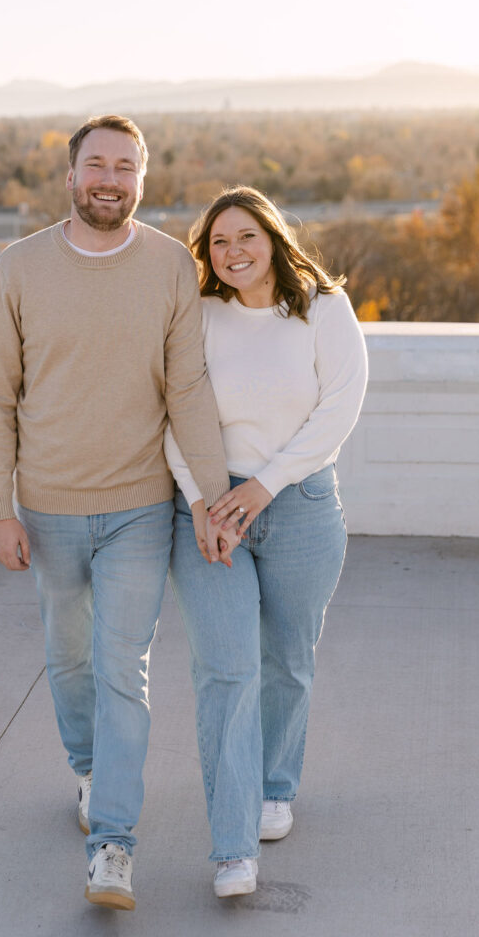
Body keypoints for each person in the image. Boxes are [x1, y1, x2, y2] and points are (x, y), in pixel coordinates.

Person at [0, 115, 229, 911]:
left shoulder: (169, 267)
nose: (108, 179)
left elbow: (187, 388)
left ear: (141, 179)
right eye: (96, 164)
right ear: (71, 175)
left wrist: (212, 498)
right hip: (46, 508)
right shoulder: (17, 267)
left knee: (125, 668)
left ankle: (112, 844)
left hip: (138, 507)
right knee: (70, 658)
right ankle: (87, 770)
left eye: (125, 166)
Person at [164, 185, 368, 898]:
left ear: (273, 237)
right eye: (218, 242)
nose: (232, 252)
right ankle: (232, 848)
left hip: (301, 507)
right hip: (213, 510)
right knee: (225, 669)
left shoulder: (322, 308)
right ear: (206, 254)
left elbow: (338, 409)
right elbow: (169, 409)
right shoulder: (197, 314)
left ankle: (274, 786)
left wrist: (267, 484)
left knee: (286, 658)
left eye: (245, 236)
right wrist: (199, 501)